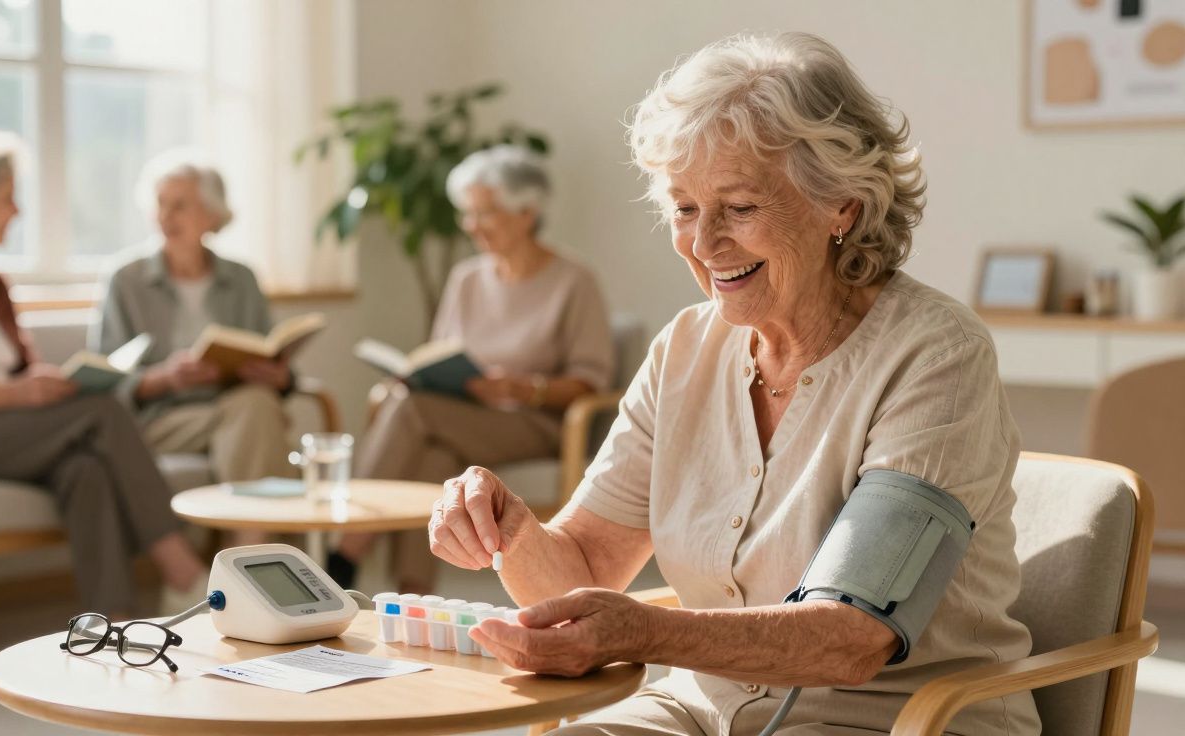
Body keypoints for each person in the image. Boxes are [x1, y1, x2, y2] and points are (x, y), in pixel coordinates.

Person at [429, 33, 1041, 735]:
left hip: (893, 718)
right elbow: (582, 571)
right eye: (685, 208)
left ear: (841, 203)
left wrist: (643, 634)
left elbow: (853, 636)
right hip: (707, 710)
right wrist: (510, 529)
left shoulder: (935, 355)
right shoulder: (686, 349)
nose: (703, 242)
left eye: (741, 208)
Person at [0, 127, 207, 618]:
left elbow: (20, 366)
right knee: (101, 411)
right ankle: (182, 569)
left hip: (7, 432)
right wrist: (13, 394)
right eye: (7, 198)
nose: (18, 211)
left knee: (85, 470)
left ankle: (109, 627)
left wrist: (46, 381)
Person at [330, 145, 615, 592]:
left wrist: (522, 389)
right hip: (461, 418)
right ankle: (411, 598)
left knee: (412, 410)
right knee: (433, 457)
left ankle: (344, 552)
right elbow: (440, 354)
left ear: (526, 213)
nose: (471, 226)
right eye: (468, 213)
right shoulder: (466, 278)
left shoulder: (573, 281)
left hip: (538, 422)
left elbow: (590, 382)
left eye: (486, 213)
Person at [92, 150, 298, 525]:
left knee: (255, 405)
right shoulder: (126, 280)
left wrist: (281, 377)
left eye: (180, 206)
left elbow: (269, 352)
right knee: (259, 413)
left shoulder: (242, 279)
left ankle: (242, 555)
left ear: (211, 214)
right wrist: (166, 378)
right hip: (162, 417)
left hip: (234, 409)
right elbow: (104, 377)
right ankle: (257, 553)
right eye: (160, 204)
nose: (165, 217)